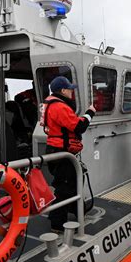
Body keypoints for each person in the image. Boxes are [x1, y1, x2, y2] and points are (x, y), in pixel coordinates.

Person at [40, 76, 96, 232]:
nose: (72, 92)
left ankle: (76, 210)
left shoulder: (48, 105)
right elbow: (79, 127)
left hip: (54, 149)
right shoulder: (60, 107)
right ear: (63, 90)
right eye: (70, 89)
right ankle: (57, 223)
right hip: (62, 153)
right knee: (64, 188)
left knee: (71, 182)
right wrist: (90, 113)